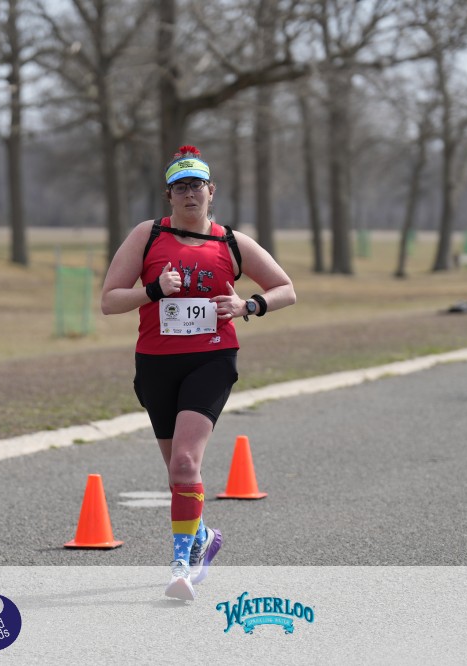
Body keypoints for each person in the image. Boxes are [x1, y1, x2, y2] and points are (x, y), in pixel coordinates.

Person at [101, 145, 296, 601]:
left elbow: (286, 288)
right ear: (169, 195)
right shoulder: (148, 235)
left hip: (211, 358)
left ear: (212, 191)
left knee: (187, 463)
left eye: (197, 186)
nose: (190, 194)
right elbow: (109, 300)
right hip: (156, 363)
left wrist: (248, 305)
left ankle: (181, 566)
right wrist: (153, 290)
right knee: (178, 474)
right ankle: (203, 536)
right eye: (181, 187)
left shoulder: (231, 242)